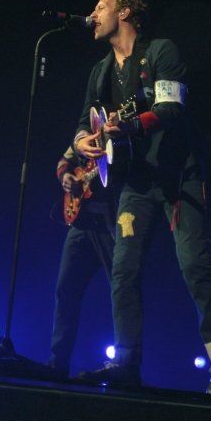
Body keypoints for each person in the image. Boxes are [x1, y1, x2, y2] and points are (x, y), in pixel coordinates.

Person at [73, 0, 211, 394]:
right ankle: (126, 363)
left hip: (179, 176)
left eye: (101, 6)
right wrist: (82, 141)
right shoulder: (101, 72)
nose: (93, 14)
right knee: (122, 270)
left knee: (194, 264)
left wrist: (129, 125)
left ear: (124, 12)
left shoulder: (161, 51)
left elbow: (171, 108)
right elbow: (83, 121)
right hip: (137, 183)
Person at [45, 145, 119, 379]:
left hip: (110, 222)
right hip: (82, 223)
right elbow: (64, 161)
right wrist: (65, 177)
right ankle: (57, 364)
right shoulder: (86, 131)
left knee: (121, 292)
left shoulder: (119, 134)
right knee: (65, 290)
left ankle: (124, 363)